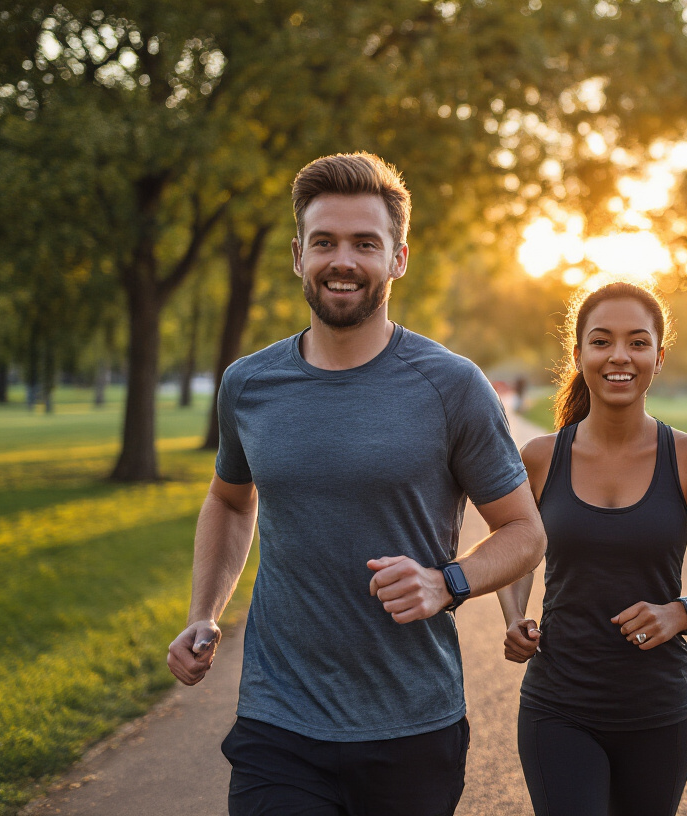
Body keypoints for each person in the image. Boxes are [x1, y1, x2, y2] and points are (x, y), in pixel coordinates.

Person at [165, 151, 546, 816]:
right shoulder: (248, 385)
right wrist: (203, 613)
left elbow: (523, 530)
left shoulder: (452, 385)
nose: (343, 260)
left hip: (412, 725)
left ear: (398, 258)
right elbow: (230, 499)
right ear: (298, 255)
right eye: (325, 242)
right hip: (277, 719)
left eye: (365, 243)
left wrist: (445, 582)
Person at [497, 281, 687, 816]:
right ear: (578, 355)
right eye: (602, 341)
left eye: (638, 342)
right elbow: (515, 549)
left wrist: (682, 613)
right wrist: (513, 614)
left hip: (657, 712)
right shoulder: (540, 458)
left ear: (658, 358)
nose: (620, 356)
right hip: (558, 708)